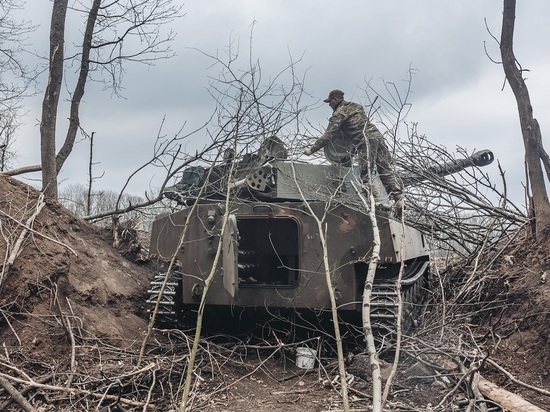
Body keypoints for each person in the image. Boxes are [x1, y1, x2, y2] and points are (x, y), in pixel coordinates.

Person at [303, 89, 403, 213]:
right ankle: (398, 198)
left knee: (365, 174)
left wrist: (311, 150)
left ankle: (374, 203)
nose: (329, 105)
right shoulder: (357, 107)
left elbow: (328, 135)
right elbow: (355, 123)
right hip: (377, 137)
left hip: (365, 141)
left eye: (330, 102)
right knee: (385, 171)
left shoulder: (339, 113)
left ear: (334, 100)